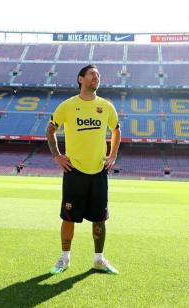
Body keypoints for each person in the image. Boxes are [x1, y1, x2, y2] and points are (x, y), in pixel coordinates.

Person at [46, 64, 121, 275]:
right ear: (81, 79)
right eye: (92, 74)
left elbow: (116, 130)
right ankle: (64, 259)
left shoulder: (106, 106)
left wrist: (113, 155)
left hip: (98, 171)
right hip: (74, 171)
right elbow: (50, 129)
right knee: (68, 218)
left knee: (100, 218)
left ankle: (99, 260)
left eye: (98, 75)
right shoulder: (68, 106)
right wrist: (57, 155)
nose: (96, 77)